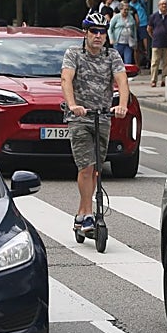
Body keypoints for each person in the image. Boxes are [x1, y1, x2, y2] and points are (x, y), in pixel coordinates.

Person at [61, 12, 129, 234]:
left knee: (97, 169)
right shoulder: (74, 54)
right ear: (85, 32)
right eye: (94, 31)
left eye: (102, 32)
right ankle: (89, 214)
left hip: (102, 116)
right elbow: (66, 80)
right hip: (80, 117)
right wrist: (72, 105)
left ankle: (81, 212)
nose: (98, 36)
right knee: (86, 166)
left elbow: (122, 81)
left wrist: (122, 106)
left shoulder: (112, 56)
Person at [147, 0, 167, 87]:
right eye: (162, 4)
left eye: (165, 4)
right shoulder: (154, 16)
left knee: (166, 63)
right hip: (156, 43)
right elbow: (149, 28)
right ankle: (153, 80)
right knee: (155, 62)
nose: (164, 6)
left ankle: (164, 80)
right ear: (159, 6)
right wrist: (153, 36)